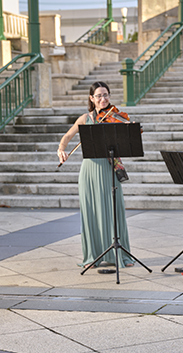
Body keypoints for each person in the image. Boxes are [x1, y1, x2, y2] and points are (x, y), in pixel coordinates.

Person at [56, 81, 134, 269]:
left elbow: (130, 135)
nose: (103, 99)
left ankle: (121, 255)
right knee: (91, 213)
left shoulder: (115, 116)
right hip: (90, 171)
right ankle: (93, 257)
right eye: (98, 96)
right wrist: (61, 150)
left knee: (113, 210)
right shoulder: (85, 119)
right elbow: (67, 137)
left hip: (109, 169)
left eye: (106, 94)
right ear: (92, 98)